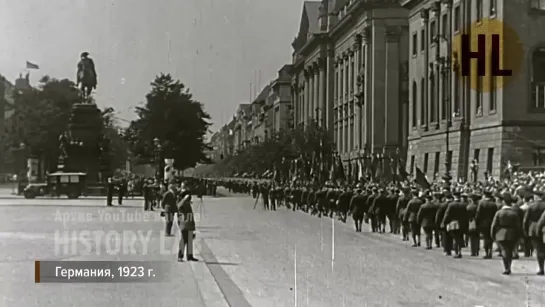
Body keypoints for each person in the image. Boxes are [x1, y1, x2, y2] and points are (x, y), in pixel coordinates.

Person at [491, 192, 521, 275]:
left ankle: (506, 267)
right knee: (510, 250)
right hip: (512, 233)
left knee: (504, 250)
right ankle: (509, 266)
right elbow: (518, 226)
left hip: (501, 233)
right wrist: (518, 236)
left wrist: (492, 234)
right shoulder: (514, 213)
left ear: (503, 202)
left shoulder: (499, 213)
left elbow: (494, 225)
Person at [177, 182, 198, 262]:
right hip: (184, 224)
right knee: (184, 240)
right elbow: (179, 206)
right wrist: (184, 198)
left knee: (189, 240)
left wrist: (193, 224)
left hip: (189, 224)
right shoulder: (182, 202)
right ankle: (180, 256)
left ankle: (190, 256)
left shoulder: (187, 204)